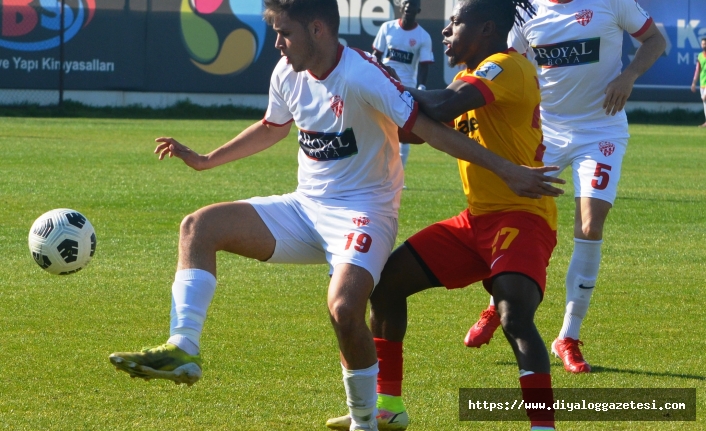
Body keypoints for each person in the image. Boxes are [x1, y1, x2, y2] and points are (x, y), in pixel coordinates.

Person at [107, 1, 563, 430]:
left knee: (359, 309)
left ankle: (378, 419)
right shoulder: (288, 71)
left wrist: (505, 168)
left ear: (317, 29)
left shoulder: (380, 73)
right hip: (311, 209)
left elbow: (431, 123)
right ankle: (184, 348)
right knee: (198, 226)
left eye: (284, 33)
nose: (277, 43)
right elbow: (272, 126)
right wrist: (206, 160)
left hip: (381, 214)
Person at [327, 0, 561, 429]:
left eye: (456, 23)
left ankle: (542, 425)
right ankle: (389, 406)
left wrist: (374, 81)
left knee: (514, 315)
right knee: (386, 286)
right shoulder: (468, 78)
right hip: (475, 222)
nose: (445, 31)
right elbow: (419, 128)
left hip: (522, 217)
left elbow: (442, 105)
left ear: (487, 28)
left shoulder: (504, 66)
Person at [463, 0, 666, 375]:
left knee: (589, 227)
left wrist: (629, 76)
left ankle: (567, 337)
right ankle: (499, 304)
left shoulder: (611, 2)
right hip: (545, 132)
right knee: (520, 217)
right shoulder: (526, 11)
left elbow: (654, 40)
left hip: (601, 129)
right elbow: (508, 60)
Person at [372, 0, 434, 173]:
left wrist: (421, 86)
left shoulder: (423, 36)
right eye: (406, 3)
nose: (408, 7)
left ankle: (399, 174)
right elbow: (376, 55)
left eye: (412, 4)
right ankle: (376, 172)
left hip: (405, 88)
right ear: (400, 6)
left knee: (405, 131)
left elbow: (424, 64)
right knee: (377, 127)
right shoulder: (387, 28)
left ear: (418, 10)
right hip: (383, 85)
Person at [692, 36, 706, 127]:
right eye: (702, 44)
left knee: (704, 98)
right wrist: (694, 82)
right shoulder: (700, 56)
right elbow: (697, 70)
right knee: (705, 103)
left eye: (705, 44)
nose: (703, 45)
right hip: (702, 83)